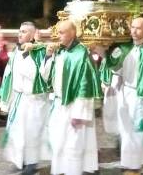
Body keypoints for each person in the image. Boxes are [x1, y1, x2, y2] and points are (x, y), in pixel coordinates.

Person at [99, 17, 143, 173]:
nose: (134, 31)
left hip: (141, 94)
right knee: (125, 131)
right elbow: (115, 68)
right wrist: (102, 51)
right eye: (132, 27)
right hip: (125, 91)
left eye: (138, 28)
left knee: (138, 131)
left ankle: (136, 166)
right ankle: (127, 163)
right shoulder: (124, 48)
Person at [40, 20, 102, 175]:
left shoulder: (82, 53)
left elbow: (85, 85)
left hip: (74, 105)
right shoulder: (58, 51)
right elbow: (45, 75)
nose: (58, 36)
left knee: (74, 144)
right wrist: (48, 56)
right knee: (58, 141)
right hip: (59, 103)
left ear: (73, 33)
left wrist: (79, 113)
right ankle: (61, 170)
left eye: (62, 32)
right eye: (57, 32)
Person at [0, 21, 49, 175]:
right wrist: (6, 99)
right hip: (18, 98)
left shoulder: (39, 51)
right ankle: (20, 158)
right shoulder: (15, 51)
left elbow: (43, 74)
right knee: (17, 131)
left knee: (32, 132)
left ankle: (32, 162)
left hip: (33, 99)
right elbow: (9, 75)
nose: (20, 34)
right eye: (20, 31)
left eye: (25, 31)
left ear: (33, 34)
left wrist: (35, 50)